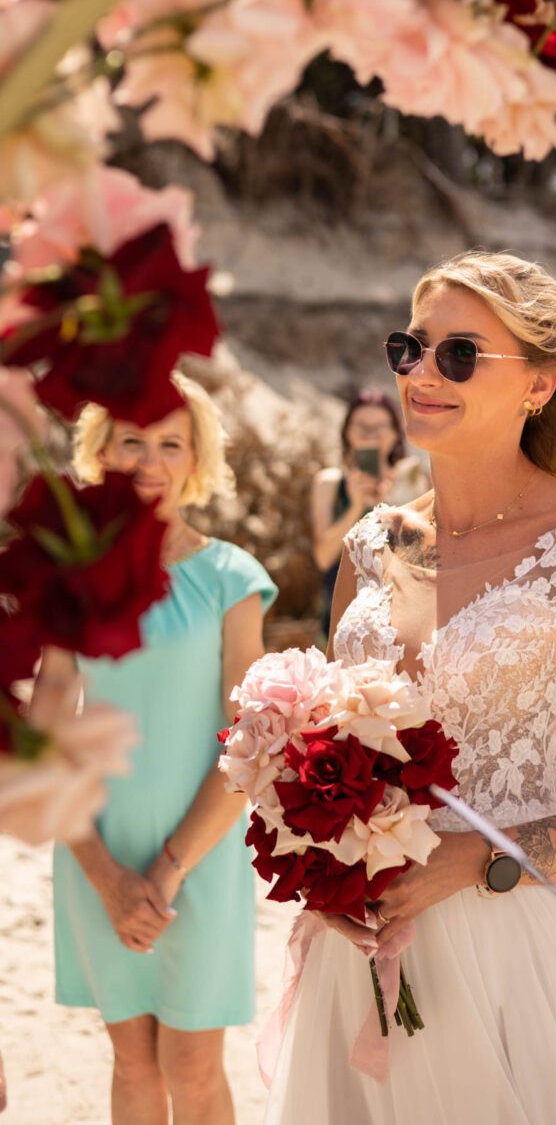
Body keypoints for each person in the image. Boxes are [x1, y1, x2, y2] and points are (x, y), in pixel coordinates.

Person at [263, 250, 556, 1124]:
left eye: (460, 354)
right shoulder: (369, 548)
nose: (421, 373)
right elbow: (337, 755)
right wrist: (322, 863)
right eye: (411, 348)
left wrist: (482, 862)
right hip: (363, 948)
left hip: (518, 952)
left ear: (539, 384)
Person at [33, 371, 277, 1125]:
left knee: (192, 1066)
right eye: (131, 439)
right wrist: (106, 876)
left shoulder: (230, 577)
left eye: (171, 443)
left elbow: (249, 741)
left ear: (196, 460)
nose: (149, 458)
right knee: (133, 1061)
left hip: (199, 855)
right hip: (94, 853)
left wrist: (168, 869)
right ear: (98, 453)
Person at [310, 388, 428, 639]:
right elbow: (323, 558)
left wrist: (389, 506)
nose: (370, 435)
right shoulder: (330, 483)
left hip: (399, 624)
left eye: (379, 427)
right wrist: (354, 506)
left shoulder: (412, 481)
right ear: (347, 432)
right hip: (338, 619)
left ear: (396, 434)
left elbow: (420, 561)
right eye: (361, 426)